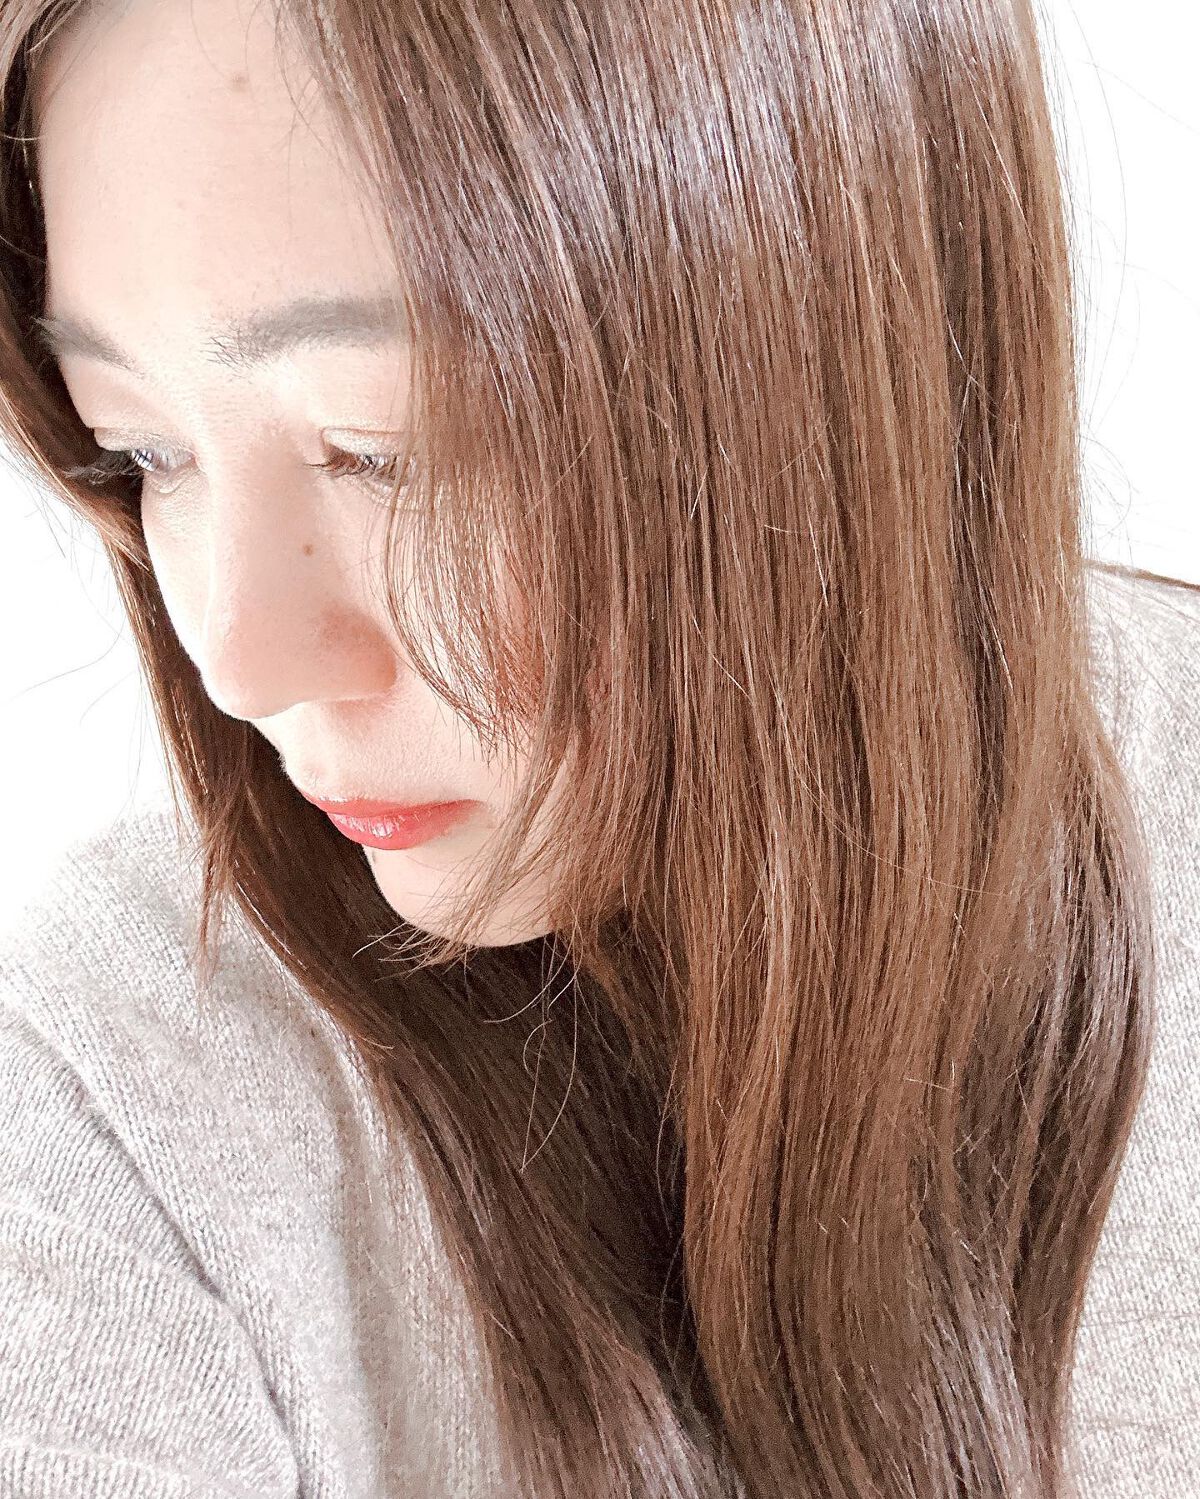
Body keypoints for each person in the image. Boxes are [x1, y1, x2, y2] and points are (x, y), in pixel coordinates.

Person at [0, 0, 1195, 1494]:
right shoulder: (113, 1098)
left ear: (821, 356)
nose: (237, 662)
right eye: (143, 449)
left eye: (384, 449)